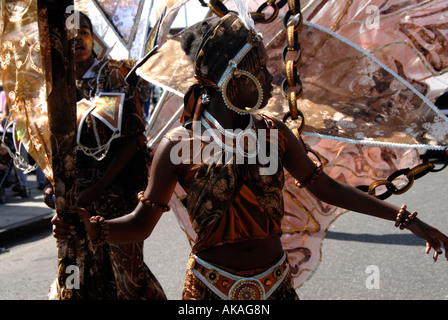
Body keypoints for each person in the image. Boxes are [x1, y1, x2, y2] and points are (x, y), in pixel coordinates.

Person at [52, 13, 448, 300]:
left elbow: (326, 187)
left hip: (275, 285)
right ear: (229, 79)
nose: (270, 79)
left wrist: (406, 219)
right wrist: (94, 228)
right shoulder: (179, 146)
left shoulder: (274, 135)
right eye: (258, 70)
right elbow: (141, 224)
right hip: (209, 291)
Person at [46, 12, 166, 300]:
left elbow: (131, 140)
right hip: (74, 199)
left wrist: (96, 189)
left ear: (93, 36)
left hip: (116, 194)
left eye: (83, 31)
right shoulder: (54, 84)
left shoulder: (112, 74)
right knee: (77, 277)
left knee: (128, 277)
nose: (77, 38)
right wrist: (54, 186)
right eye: (69, 33)